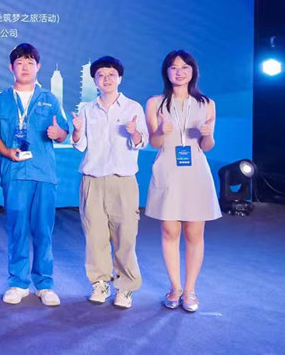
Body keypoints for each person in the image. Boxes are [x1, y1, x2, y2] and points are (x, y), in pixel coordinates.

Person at [0, 43, 68, 306]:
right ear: (11, 67)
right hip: (14, 172)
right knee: (17, 229)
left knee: (43, 230)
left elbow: (63, 132)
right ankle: (18, 283)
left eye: (30, 62)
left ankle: (45, 284)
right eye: (20, 63)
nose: (25, 67)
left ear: (38, 67)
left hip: (43, 174)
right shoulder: (1, 101)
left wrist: (59, 133)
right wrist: (7, 151)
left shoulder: (50, 100)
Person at [145, 50, 221, 312]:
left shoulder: (207, 104)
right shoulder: (155, 103)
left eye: (185, 67)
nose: (179, 72)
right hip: (168, 171)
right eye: (174, 67)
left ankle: (190, 290)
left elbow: (206, 146)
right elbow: (155, 143)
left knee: (194, 233)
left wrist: (208, 135)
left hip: (196, 173)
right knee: (169, 231)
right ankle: (175, 287)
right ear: (166, 72)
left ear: (193, 71)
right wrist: (160, 130)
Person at [71, 56, 148, 309]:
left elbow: (141, 142)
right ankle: (99, 283)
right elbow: (80, 145)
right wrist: (77, 131)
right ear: (94, 80)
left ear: (120, 78)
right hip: (92, 180)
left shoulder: (133, 107)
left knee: (125, 237)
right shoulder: (86, 108)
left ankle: (125, 287)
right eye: (101, 75)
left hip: (123, 181)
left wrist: (134, 132)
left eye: (111, 74)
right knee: (95, 237)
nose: (106, 79)